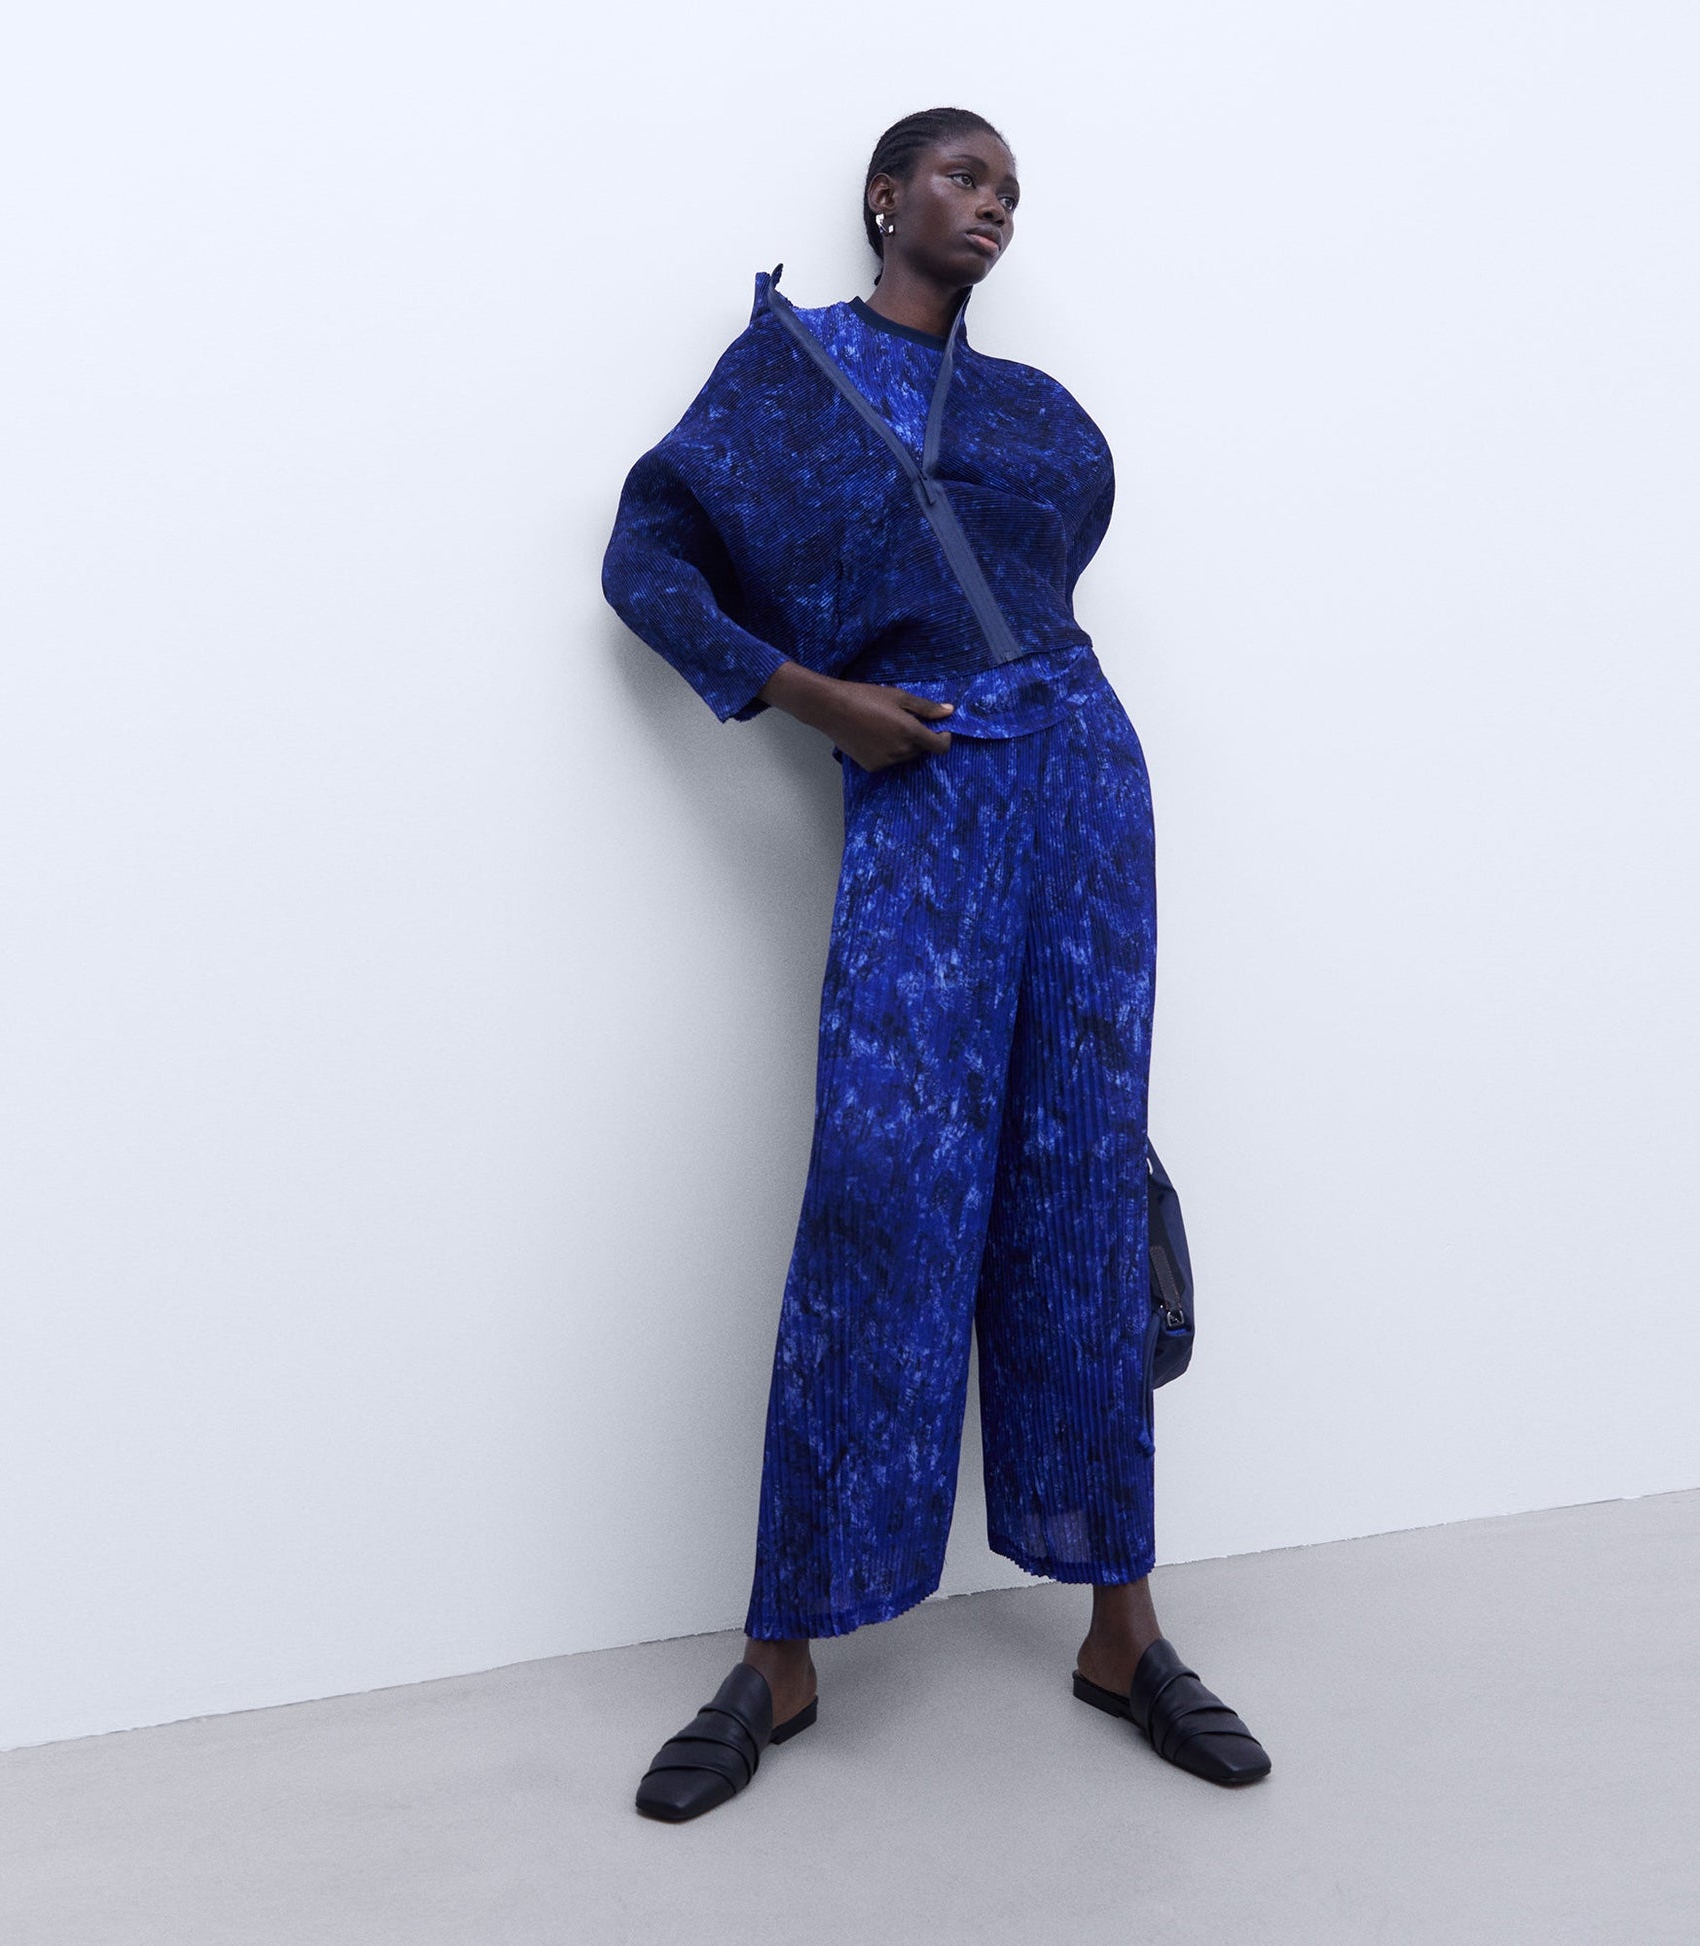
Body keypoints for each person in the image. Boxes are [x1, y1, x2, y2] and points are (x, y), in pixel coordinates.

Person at [602, 106, 1270, 1822]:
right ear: (884, 195)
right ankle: (781, 1651)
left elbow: (1055, 564)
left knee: (1078, 1180)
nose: (993, 207)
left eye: (1012, 192)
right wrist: (810, 694)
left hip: (1083, 780)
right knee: (882, 1191)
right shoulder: (786, 377)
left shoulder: (1034, 411)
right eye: (965, 178)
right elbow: (644, 558)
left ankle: (1120, 1625)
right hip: (924, 790)